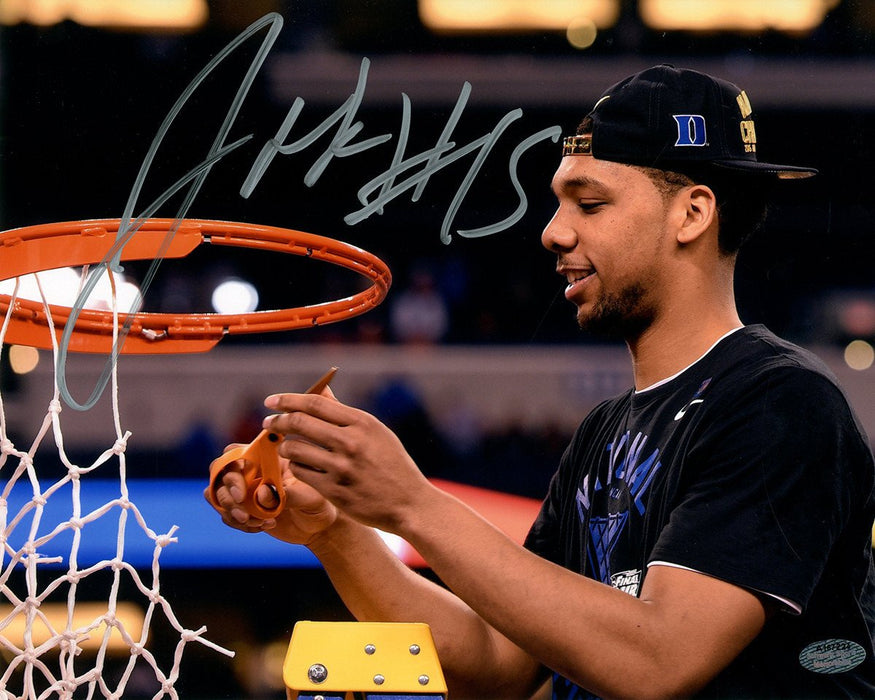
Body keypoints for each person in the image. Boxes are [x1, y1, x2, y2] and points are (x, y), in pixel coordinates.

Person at [206, 65, 875, 699]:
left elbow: (656, 662)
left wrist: (412, 503)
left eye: (589, 203)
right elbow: (501, 668)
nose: (553, 232)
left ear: (692, 214)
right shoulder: (604, 431)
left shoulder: (779, 404)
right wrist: (336, 532)